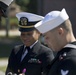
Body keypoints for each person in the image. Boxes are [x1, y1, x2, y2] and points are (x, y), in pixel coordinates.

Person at [35, 8, 76, 75]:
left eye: (47, 37)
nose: (45, 42)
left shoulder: (71, 60)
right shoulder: (64, 55)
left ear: (60, 32)